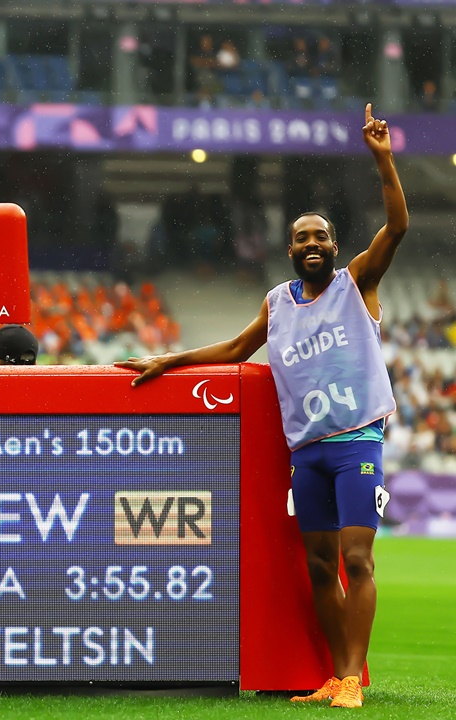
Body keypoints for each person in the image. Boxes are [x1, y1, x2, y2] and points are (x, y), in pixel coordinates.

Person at [115, 103, 407, 710]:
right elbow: (235, 348)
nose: (311, 244)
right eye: (301, 237)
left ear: (333, 245)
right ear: (291, 247)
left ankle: (352, 677)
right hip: (307, 450)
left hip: (356, 441)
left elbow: (398, 227)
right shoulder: (277, 302)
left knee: (358, 558)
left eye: (320, 236)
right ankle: (334, 674)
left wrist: (383, 160)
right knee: (321, 567)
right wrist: (167, 361)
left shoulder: (358, 284)